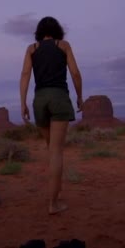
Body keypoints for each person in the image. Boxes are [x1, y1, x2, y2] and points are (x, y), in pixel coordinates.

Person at [19, 16, 83, 215]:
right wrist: (80, 96)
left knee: (51, 149)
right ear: (57, 31)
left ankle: (56, 193)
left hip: (39, 100)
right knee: (56, 152)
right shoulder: (63, 45)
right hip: (58, 98)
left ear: (39, 32)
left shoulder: (32, 49)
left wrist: (23, 103)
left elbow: (25, 75)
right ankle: (53, 204)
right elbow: (75, 73)